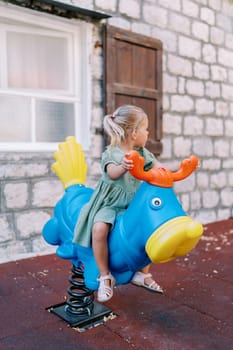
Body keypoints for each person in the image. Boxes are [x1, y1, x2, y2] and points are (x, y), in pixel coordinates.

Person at [73, 104, 163, 302]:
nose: (148, 133)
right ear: (133, 133)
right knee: (99, 229)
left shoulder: (142, 152)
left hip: (132, 204)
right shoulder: (111, 153)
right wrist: (123, 166)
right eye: (146, 129)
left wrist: (179, 169)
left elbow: (159, 168)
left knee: (150, 229)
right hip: (110, 203)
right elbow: (112, 174)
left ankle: (142, 273)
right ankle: (105, 276)